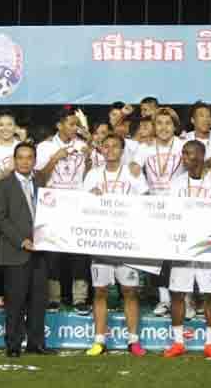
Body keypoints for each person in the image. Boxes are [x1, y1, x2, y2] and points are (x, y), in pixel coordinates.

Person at [83, 134, 148, 357]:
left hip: (126, 241)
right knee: (100, 290)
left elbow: (146, 199)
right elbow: (81, 206)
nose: (110, 150)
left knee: (129, 291)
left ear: (122, 150)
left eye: (115, 146)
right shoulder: (92, 175)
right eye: (106, 146)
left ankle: (133, 340)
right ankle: (99, 340)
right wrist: (91, 197)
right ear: (101, 149)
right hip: (101, 241)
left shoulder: (133, 174)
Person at [163, 140, 211, 360]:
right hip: (182, 247)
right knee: (178, 293)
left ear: (200, 156)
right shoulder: (176, 184)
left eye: (188, 154)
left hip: (208, 246)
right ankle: (178, 342)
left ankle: (210, 344)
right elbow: (170, 214)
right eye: (183, 154)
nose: (184, 158)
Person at [0, 142, 56, 358]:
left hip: (41, 251)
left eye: (29, 157)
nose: (25, 161)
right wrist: (22, 241)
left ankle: (36, 343)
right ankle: (13, 344)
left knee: (39, 300)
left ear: (34, 160)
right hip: (15, 251)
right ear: (14, 159)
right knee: (16, 302)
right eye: (20, 157)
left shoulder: (41, 182)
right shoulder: (3, 185)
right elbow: (0, 218)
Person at [131, 107, 187, 316]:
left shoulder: (183, 146)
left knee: (180, 255)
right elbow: (133, 173)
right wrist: (145, 193)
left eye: (168, 123)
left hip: (179, 208)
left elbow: (199, 166)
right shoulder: (145, 148)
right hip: (154, 208)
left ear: (175, 126)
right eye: (159, 123)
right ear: (154, 127)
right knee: (158, 256)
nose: (163, 128)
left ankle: (184, 300)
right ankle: (164, 300)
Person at [36, 108, 92, 314]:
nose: (75, 128)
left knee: (79, 252)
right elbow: (39, 179)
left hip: (77, 205)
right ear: (59, 125)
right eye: (71, 124)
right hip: (53, 206)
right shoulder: (45, 147)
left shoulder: (83, 145)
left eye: (77, 124)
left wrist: (88, 159)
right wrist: (54, 158)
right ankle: (53, 298)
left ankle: (80, 298)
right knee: (53, 253)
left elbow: (89, 177)